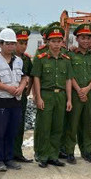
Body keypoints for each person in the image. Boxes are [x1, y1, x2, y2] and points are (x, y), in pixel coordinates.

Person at [0, 28, 28, 171]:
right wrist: (7, 88)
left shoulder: (19, 61)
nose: (11, 46)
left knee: (12, 131)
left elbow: (24, 77)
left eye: (12, 44)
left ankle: (9, 158)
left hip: (15, 102)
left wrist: (22, 87)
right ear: (1, 44)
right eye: (7, 43)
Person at [32, 24, 72, 168]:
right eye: (53, 41)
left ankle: (53, 155)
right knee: (44, 127)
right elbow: (36, 78)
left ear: (62, 42)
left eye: (59, 41)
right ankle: (43, 155)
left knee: (57, 127)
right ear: (48, 42)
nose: (56, 44)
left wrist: (69, 99)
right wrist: (38, 97)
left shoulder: (66, 60)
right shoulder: (41, 58)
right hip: (46, 95)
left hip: (60, 96)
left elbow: (68, 80)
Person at [62, 24, 91, 164]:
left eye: (88, 38)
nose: (85, 41)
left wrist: (87, 89)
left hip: (89, 94)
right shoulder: (70, 55)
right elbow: (69, 75)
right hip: (75, 94)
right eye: (82, 38)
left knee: (88, 124)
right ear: (77, 39)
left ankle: (88, 152)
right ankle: (70, 152)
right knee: (73, 123)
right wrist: (79, 90)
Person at [12, 27, 34, 163]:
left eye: (25, 43)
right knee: (9, 125)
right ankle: (7, 153)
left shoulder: (26, 59)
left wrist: (28, 89)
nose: (23, 46)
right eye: (21, 43)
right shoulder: (9, 57)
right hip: (10, 96)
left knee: (20, 125)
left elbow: (30, 76)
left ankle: (17, 153)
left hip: (22, 97)